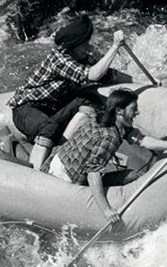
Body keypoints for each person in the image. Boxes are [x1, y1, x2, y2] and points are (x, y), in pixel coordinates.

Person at [42, 88, 167, 223]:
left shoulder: (108, 120)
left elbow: (142, 140)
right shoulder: (110, 138)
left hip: (61, 160)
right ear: (119, 111)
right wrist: (106, 210)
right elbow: (93, 174)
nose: (137, 112)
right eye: (134, 109)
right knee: (131, 176)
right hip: (66, 177)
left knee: (132, 175)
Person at [8, 14, 128, 170]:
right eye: (84, 44)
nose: (88, 47)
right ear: (73, 45)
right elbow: (92, 75)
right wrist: (115, 46)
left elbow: (109, 74)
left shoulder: (81, 58)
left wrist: (145, 82)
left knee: (88, 100)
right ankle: (35, 175)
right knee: (48, 127)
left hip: (50, 111)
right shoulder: (59, 58)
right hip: (26, 109)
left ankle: (60, 148)